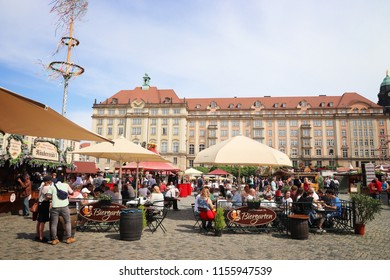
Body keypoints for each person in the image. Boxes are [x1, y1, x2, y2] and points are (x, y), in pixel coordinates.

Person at [46, 180, 75, 245]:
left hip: (55, 207)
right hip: (64, 206)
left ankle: (54, 239)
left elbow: (48, 196)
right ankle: (69, 238)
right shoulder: (66, 185)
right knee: (67, 222)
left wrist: (53, 197)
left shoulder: (52, 186)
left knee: (54, 223)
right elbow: (72, 193)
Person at [35, 175, 51, 242]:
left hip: (40, 203)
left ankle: (38, 235)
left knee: (39, 220)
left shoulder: (42, 186)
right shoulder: (47, 187)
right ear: (48, 181)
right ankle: (41, 237)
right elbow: (48, 197)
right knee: (42, 221)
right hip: (44, 204)